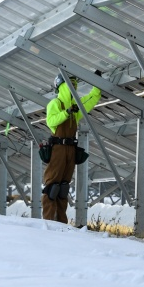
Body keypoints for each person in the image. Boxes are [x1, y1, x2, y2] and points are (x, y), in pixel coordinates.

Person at [41, 72, 102, 224]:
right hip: (58, 148)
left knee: (63, 188)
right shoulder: (55, 104)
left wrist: (96, 82)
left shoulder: (76, 107)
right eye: (70, 84)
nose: (74, 86)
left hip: (70, 149)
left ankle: (62, 222)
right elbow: (51, 120)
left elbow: (91, 98)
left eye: (75, 84)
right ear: (62, 86)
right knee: (52, 186)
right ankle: (48, 221)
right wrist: (66, 113)